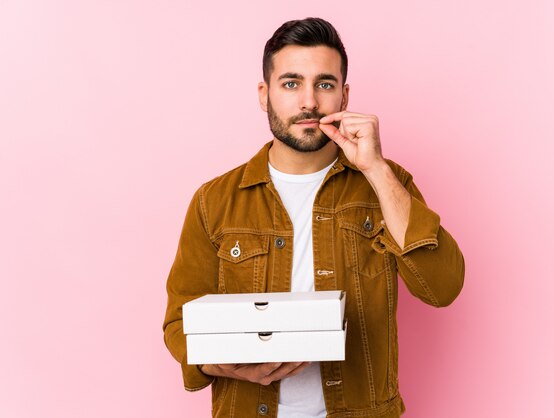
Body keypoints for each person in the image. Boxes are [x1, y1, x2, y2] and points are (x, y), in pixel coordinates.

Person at [163, 17, 464, 418]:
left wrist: (375, 169)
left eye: (324, 84)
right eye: (291, 84)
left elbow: (441, 288)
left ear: (344, 96)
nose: (309, 101)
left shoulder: (389, 184)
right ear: (264, 94)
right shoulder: (214, 202)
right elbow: (180, 323)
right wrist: (214, 364)